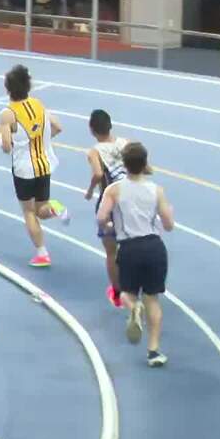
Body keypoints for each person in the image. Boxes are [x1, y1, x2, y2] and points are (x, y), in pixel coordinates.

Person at [95, 142, 175, 367]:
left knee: (127, 294)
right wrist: (168, 214)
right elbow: (168, 225)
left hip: (130, 247)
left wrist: (110, 226)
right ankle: (153, 351)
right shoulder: (157, 190)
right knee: (153, 299)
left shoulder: (114, 189)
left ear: (124, 164)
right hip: (154, 247)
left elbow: (101, 218)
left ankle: (134, 308)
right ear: (145, 163)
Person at [0, 65, 69, 267]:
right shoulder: (38, 105)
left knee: (29, 212)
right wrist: (42, 141)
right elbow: (58, 127)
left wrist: (2, 136)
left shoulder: (7, 114)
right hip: (44, 165)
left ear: (8, 89)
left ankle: (42, 253)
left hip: (24, 169)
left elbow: (5, 147)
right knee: (41, 209)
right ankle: (54, 208)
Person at [83, 109, 129, 308]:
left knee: (111, 251)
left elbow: (98, 174)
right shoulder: (126, 144)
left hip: (109, 202)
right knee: (130, 244)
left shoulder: (95, 152)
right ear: (111, 125)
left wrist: (90, 191)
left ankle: (118, 293)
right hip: (130, 200)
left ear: (92, 130)